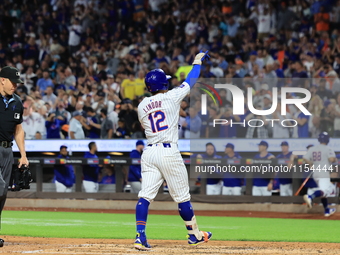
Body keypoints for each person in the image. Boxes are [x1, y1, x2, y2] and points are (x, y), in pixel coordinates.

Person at [134, 51, 212, 250]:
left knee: (145, 196)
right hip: (168, 151)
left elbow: (146, 126)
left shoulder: (142, 105)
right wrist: (196, 62)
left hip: (150, 152)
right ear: (163, 84)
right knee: (182, 197)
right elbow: (191, 79)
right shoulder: (171, 97)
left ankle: (140, 236)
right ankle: (193, 234)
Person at [0, 66, 29, 247]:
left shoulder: (17, 102)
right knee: (0, 187)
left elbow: (18, 129)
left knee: (2, 195)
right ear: (2, 79)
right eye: (13, 82)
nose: (15, 86)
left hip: (6, 152)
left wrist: (23, 155)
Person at [303, 132, 337, 217]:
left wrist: (311, 164)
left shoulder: (313, 148)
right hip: (323, 172)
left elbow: (305, 158)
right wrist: (335, 159)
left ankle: (326, 210)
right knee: (325, 191)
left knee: (323, 193)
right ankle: (310, 197)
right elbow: (332, 159)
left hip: (316, 173)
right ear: (327, 139)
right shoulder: (328, 149)